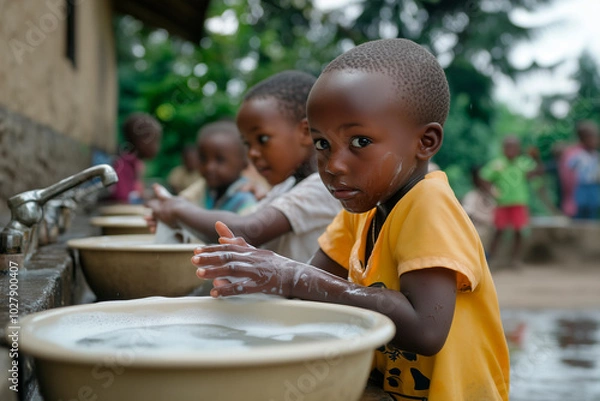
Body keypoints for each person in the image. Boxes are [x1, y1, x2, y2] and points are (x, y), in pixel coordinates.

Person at [192, 39, 510, 400]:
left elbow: (425, 331)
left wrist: (291, 275)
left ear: (425, 142)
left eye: (359, 141)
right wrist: (259, 276)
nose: (334, 165)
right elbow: (312, 295)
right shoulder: (361, 211)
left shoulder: (429, 203)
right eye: (322, 144)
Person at [146, 71, 341, 262]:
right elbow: (226, 235)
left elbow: (246, 231)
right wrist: (177, 223)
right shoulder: (284, 188)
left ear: (305, 133)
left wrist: (178, 209)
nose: (252, 154)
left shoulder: (323, 187)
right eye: (247, 144)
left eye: (262, 139)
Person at [480, 135, 542, 267]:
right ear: (503, 148)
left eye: (513, 147)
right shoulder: (498, 164)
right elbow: (484, 177)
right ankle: (491, 259)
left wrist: (536, 159)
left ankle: (515, 260)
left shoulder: (524, 163)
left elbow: (535, 174)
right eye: (508, 147)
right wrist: (491, 191)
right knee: (498, 230)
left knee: (519, 231)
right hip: (502, 203)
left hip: (519, 202)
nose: (510, 150)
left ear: (519, 149)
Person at [194, 120, 257, 214]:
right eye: (203, 159)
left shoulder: (245, 200)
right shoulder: (203, 189)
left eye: (219, 160)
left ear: (243, 163)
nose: (209, 167)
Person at [109, 112, 162, 204]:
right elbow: (122, 198)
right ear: (142, 141)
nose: (158, 147)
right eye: (156, 141)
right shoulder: (123, 165)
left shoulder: (137, 164)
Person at [567, 120, 600, 219]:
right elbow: (569, 167)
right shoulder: (578, 155)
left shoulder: (596, 156)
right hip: (582, 186)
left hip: (594, 186)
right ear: (582, 139)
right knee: (581, 207)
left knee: (593, 207)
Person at [461, 165, 496, 249]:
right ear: (475, 180)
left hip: (489, 238)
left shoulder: (495, 194)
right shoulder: (471, 196)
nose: (486, 181)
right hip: (475, 239)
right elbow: (467, 215)